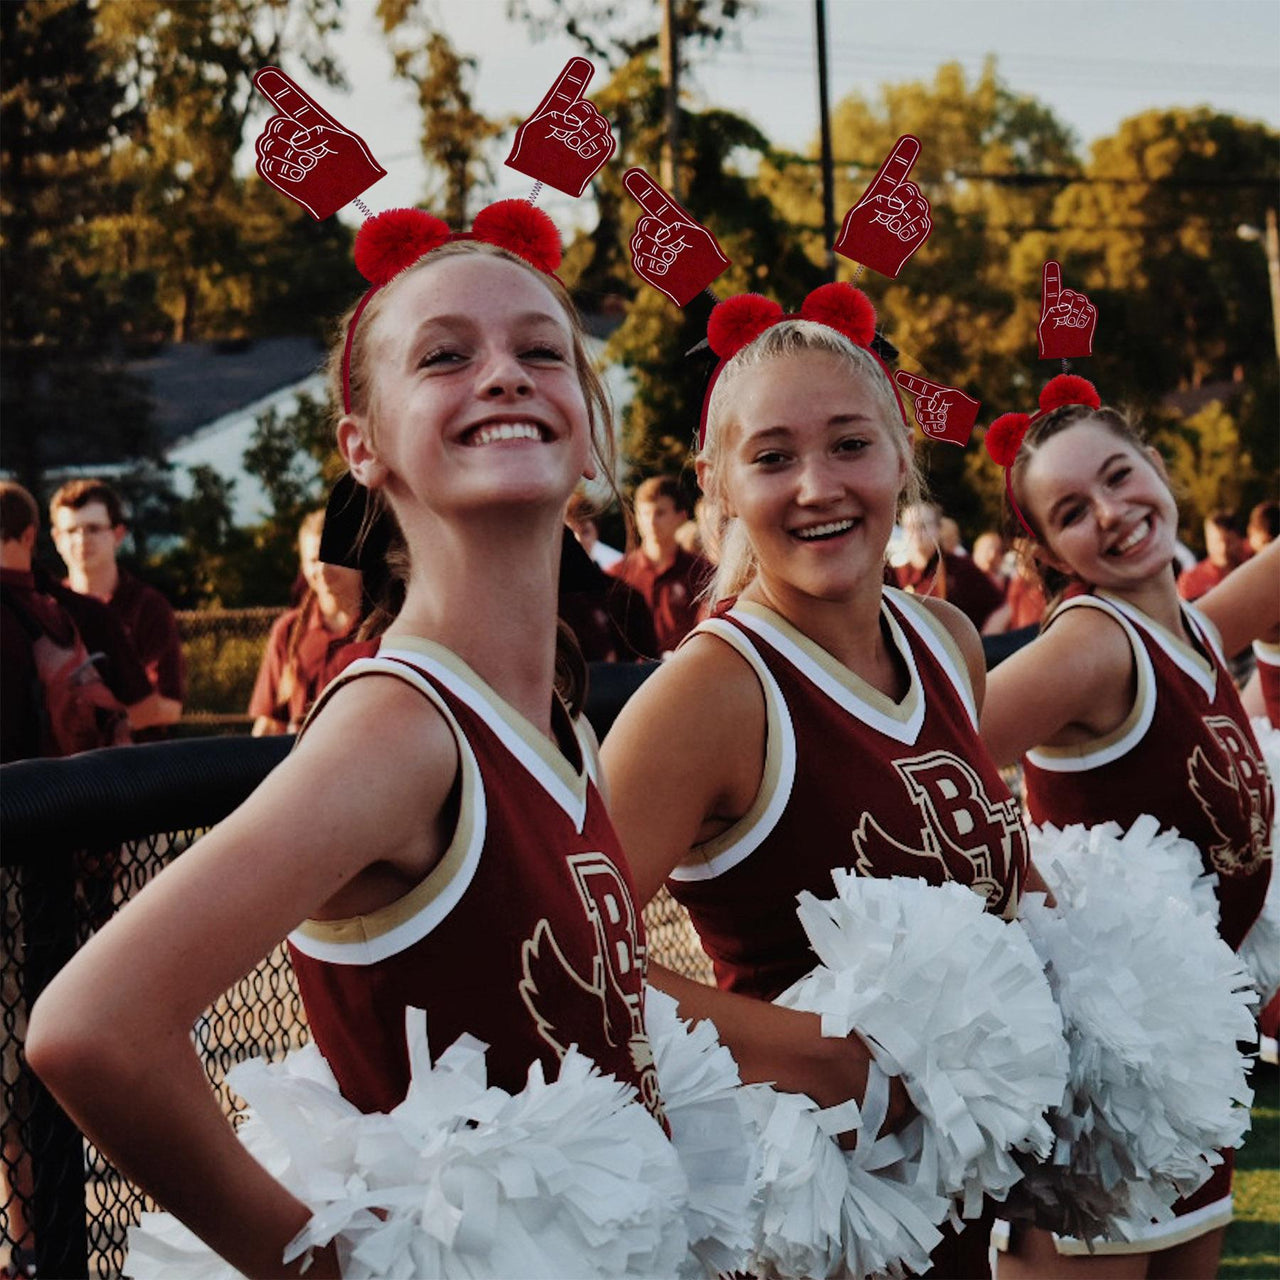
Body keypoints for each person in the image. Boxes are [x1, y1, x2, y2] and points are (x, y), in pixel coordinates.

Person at [26, 220, 667, 1276]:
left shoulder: (556, 709)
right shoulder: (401, 724)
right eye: (445, 354)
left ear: (590, 435)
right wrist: (320, 1269)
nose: (503, 375)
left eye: (542, 351)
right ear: (362, 446)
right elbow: (91, 1024)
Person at [601, 311, 1036, 1278]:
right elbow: (558, 953)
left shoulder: (948, 640)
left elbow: (999, 874)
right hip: (811, 1227)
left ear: (900, 456)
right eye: (772, 456)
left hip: (953, 1211)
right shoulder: (709, 693)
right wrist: (821, 1056)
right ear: (716, 485)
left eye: (850, 444)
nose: (818, 487)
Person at [979, 380, 1276, 1279]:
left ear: (1156, 463)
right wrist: (1025, 883)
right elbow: (921, 763)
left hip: (1186, 1068)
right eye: (1072, 510)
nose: (1111, 514)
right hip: (1100, 1089)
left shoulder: (1189, 625)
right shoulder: (1091, 646)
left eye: (1120, 475)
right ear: (1043, 549)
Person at [49, 479, 186, 735]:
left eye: (93, 528)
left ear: (118, 534)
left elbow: (170, 707)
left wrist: (107, 723)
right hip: (64, 766)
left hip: (134, 764)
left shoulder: (147, 606)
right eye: (71, 530)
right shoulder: (48, 608)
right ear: (56, 538)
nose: (82, 539)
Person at [248, 510, 365, 735]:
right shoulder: (288, 631)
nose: (322, 570)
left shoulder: (387, 630)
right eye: (313, 560)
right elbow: (270, 724)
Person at [609, 475, 713, 653]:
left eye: (660, 513)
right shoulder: (617, 575)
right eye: (645, 514)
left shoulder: (702, 572)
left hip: (685, 669)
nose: (651, 522)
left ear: (681, 516)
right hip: (631, 675)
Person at [894, 500, 1004, 630]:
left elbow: (1001, 608)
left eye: (923, 525)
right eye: (910, 526)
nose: (916, 532)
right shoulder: (896, 574)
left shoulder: (961, 569)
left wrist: (985, 642)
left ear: (938, 529)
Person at [1176, 508, 1249, 602]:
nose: (1223, 548)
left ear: (1240, 539)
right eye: (1217, 542)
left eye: (1229, 542)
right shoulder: (1190, 580)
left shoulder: (1254, 571)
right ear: (1208, 541)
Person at [564, 488, 624, 569]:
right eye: (571, 533)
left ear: (596, 530)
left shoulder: (615, 567)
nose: (579, 539)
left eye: (585, 532)